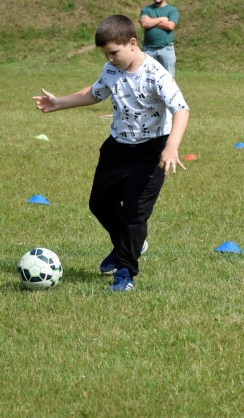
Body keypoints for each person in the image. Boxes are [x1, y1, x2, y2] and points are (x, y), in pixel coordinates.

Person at [32, 15, 190, 292]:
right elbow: (94, 93)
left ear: (132, 43)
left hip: (152, 151)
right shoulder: (111, 70)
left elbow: (181, 109)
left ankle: (125, 272)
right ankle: (130, 244)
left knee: (134, 214)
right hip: (117, 148)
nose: (110, 58)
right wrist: (58, 103)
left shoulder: (156, 74)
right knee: (99, 203)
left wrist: (172, 146)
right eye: (106, 54)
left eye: (114, 52)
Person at [139, 0, 179, 78]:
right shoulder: (146, 9)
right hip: (148, 49)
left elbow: (170, 25)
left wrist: (151, 21)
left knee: (169, 78)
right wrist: (161, 19)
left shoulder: (172, 10)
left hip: (166, 49)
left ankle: (171, 93)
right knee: (147, 77)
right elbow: (144, 24)